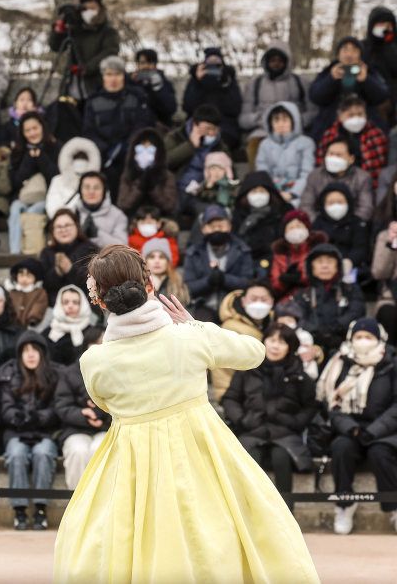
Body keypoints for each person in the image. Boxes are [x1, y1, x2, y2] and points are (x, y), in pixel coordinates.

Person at [53, 245, 319, 582]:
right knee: (215, 536)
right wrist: (195, 326)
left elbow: (104, 402)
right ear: (149, 285)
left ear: (101, 301)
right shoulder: (188, 338)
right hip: (200, 446)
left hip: (130, 455)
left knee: (119, 543)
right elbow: (254, 353)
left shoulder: (94, 360)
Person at [222, 321, 316, 510]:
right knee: (248, 459)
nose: (275, 345)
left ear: (290, 348)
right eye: (271, 339)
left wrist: (294, 422)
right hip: (252, 432)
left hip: (285, 436)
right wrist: (242, 419)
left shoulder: (300, 376)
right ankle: (249, 520)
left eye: (282, 342)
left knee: (281, 458)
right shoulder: (246, 369)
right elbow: (230, 400)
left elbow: (310, 407)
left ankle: (286, 520)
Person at [316, 317, 397, 534]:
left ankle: (393, 506)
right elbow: (331, 403)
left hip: (386, 431)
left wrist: (374, 430)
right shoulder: (340, 362)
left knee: (381, 453)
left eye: (369, 337)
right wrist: (351, 428)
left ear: (379, 339)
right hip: (350, 428)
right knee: (341, 449)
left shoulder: (392, 362)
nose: (363, 341)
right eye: (358, 337)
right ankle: (344, 503)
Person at [0, 330, 60, 530]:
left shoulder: (54, 374)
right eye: (25, 350)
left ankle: (41, 509)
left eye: (34, 350)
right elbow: (5, 407)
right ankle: (20, 511)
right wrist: (19, 418)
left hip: (45, 433)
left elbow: (58, 407)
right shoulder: (9, 374)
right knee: (16, 454)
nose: (30, 354)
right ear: (20, 354)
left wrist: (39, 418)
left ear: (42, 353)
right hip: (16, 432)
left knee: (43, 454)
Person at [81, 56, 153, 193]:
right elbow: (88, 131)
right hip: (104, 156)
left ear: (123, 76)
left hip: (131, 152)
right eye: (109, 74)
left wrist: (128, 146)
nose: (113, 79)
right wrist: (106, 149)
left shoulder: (137, 97)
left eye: (117, 74)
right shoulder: (93, 100)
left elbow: (142, 124)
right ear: (103, 76)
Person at [239, 41, 311, 164]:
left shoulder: (301, 82)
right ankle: (259, 182)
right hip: (263, 131)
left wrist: (296, 121)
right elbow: (243, 118)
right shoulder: (255, 84)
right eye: (272, 60)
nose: (276, 64)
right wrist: (260, 120)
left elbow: (313, 111)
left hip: (295, 132)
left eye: (280, 60)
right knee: (253, 147)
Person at [183, 205, 255, 323]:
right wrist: (208, 281)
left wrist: (224, 279)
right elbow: (187, 287)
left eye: (220, 226)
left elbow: (248, 283)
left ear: (229, 226)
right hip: (203, 305)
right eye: (211, 227)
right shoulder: (193, 252)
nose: (216, 230)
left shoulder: (242, 250)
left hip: (234, 306)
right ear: (203, 229)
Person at [309, 35, 389, 142]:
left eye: (354, 50)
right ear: (338, 54)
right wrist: (331, 79)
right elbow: (315, 97)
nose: (349, 54)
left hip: (365, 130)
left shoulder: (369, 71)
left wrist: (366, 80)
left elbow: (382, 96)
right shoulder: (328, 72)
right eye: (345, 49)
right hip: (330, 128)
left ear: (360, 55)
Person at [293, 243, 366, 357]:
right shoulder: (303, 293)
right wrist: (316, 332)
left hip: (345, 344)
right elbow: (298, 318)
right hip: (312, 345)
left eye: (330, 261)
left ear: (338, 265)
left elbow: (356, 312)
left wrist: (336, 328)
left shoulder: (350, 289)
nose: (325, 266)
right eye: (319, 262)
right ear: (310, 267)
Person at [54, 345, 110, 492]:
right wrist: (83, 415)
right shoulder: (70, 373)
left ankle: (102, 504)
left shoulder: (116, 370)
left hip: (107, 428)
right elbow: (62, 406)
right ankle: (76, 502)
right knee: (77, 451)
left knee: (99, 449)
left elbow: (125, 403)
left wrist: (100, 414)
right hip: (75, 429)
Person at [47, 0, 120, 96]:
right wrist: (60, 29)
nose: (89, 12)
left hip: (97, 82)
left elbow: (110, 52)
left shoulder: (107, 30)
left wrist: (86, 68)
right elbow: (55, 47)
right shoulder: (75, 28)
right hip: (74, 82)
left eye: (93, 8)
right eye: (85, 9)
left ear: (100, 8)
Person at [7, 113, 59, 254]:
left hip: (48, 198)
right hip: (23, 197)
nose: (32, 133)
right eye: (27, 130)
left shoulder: (55, 147)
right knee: (15, 210)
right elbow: (16, 182)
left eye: (35, 128)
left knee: (33, 212)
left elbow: (57, 178)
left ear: (43, 127)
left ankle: (32, 252)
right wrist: (29, 160)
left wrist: (41, 158)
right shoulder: (18, 151)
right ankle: (15, 253)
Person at [215, 278, 276, 398]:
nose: (259, 303)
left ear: (272, 302)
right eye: (253, 299)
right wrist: (229, 399)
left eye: (264, 299)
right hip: (239, 393)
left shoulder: (278, 322)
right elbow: (225, 369)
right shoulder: (230, 328)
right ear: (243, 301)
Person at [168, 104, 230, 222]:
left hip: (202, 193)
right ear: (194, 124)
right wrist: (190, 146)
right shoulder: (175, 137)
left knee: (208, 213)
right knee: (170, 210)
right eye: (207, 129)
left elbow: (230, 174)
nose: (211, 133)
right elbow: (166, 161)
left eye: (215, 129)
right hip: (177, 188)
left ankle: (195, 241)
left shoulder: (220, 146)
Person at [317, 95, 389, 191]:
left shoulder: (376, 135)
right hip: (335, 182)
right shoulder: (329, 135)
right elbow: (321, 163)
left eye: (360, 114)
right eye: (350, 114)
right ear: (340, 116)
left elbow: (380, 167)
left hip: (367, 184)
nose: (356, 118)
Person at [301, 133, 374, 222]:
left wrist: (348, 226)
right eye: (330, 153)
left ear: (351, 159)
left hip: (351, 227)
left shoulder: (363, 177)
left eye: (339, 155)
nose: (333, 157)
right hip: (319, 225)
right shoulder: (315, 175)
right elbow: (306, 205)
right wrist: (319, 224)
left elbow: (366, 208)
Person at [253, 102, 314, 207]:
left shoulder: (306, 143)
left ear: (294, 121)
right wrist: (273, 193)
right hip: (272, 193)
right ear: (270, 123)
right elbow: (262, 173)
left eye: (285, 120)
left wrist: (292, 193)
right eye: (276, 120)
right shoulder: (264, 144)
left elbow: (307, 173)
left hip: (299, 194)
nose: (280, 124)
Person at [182, 48, 243, 150]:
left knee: (221, 143)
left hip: (224, 127)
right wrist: (198, 82)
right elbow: (188, 107)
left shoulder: (229, 81)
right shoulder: (195, 81)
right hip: (199, 125)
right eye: (209, 61)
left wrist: (223, 84)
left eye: (217, 60)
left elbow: (234, 109)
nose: (213, 63)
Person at [39, 208, 98, 305]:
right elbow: (43, 286)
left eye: (67, 225)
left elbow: (94, 284)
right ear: (52, 230)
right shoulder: (46, 253)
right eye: (58, 227)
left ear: (77, 226)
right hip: (54, 308)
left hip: (86, 307)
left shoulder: (90, 249)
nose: (63, 230)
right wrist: (57, 272)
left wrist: (70, 270)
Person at [232, 171, 288, 274]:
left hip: (277, 266)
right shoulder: (237, 216)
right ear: (246, 194)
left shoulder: (283, 213)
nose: (258, 195)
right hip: (245, 266)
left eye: (262, 191)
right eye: (254, 191)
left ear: (270, 194)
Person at [311, 182, 371, 272]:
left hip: (351, 267)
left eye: (340, 202)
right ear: (323, 205)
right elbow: (314, 247)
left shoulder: (357, 222)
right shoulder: (318, 222)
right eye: (330, 202)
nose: (336, 205)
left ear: (348, 202)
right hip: (323, 268)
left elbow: (361, 247)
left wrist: (350, 261)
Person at [269, 209, 328, 300]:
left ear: (307, 229)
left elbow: (326, 278)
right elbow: (274, 288)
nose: (295, 230)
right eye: (291, 227)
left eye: (299, 226)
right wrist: (283, 281)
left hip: (316, 298)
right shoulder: (280, 255)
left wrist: (301, 278)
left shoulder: (319, 250)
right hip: (289, 300)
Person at [117, 128, 175, 217]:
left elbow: (169, 207)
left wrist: (153, 189)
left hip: (158, 219)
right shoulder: (128, 175)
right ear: (134, 151)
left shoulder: (166, 176)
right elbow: (122, 206)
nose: (145, 152)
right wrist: (139, 189)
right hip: (134, 219)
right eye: (140, 148)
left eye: (150, 149)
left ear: (158, 152)